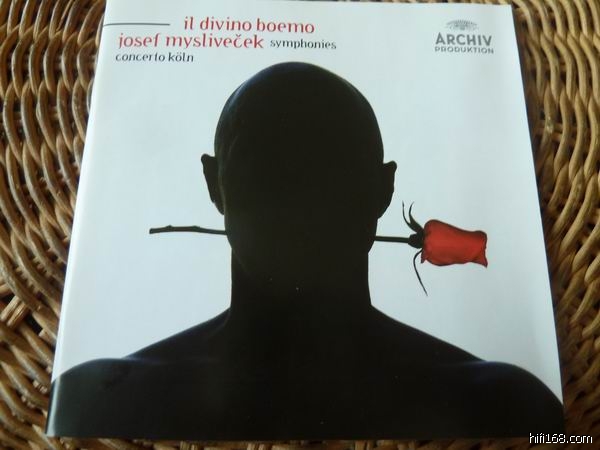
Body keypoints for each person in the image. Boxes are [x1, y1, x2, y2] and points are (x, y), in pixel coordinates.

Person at [47, 62, 564, 440]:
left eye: (329, 166)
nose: (299, 195)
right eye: (270, 165)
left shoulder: (502, 401)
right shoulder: (97, 398)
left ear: (382, 191)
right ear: (213, 183)